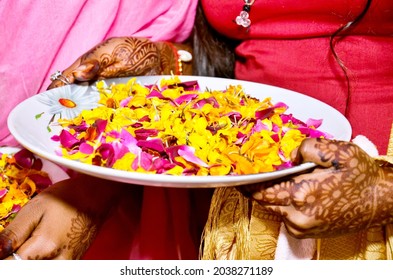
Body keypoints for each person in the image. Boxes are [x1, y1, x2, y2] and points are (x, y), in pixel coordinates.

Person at [1, 0, 393, 260]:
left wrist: (383, 191)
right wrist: (164, 64)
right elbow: (227, 55)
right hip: (239, 200)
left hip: (374, 211)